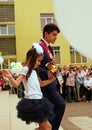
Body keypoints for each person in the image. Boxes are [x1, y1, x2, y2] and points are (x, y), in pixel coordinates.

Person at [3, 43, 56, 130]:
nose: (39, 63)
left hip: (39, 100)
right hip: (33, 102)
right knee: (48, 127)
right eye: (38, 61)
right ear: (31, 58)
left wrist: (52, 79)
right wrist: (10, 77)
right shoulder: (25, 69)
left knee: (43, 127)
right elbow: (16, 84)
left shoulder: (34, 71)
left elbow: (41, 84)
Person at [38, 23, 66, 130]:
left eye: (56, 35)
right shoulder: (38, 46)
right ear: (46, 33)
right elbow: (33, 65)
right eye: (54, 35)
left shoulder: (49, 48)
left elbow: (50, 65)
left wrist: (56, 72)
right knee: (60, 105)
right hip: (45, 85)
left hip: (52, 83)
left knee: (52, 109)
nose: (55, 38)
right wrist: (46, 73)